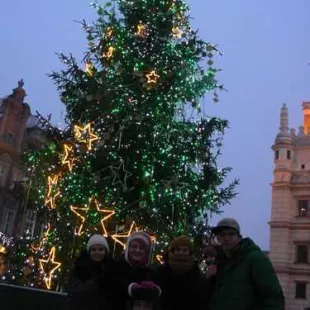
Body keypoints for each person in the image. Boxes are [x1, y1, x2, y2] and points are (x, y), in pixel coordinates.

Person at [209, 218, 285, 310]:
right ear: (218, 238)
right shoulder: (220, 261)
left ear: (239, 237)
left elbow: (274, 299)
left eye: (231, 234)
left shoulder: (255, 259)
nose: (226, 238)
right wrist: (209, 278)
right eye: (222, 235)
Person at [155, 236, 210, 310]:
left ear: (190, 253)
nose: (181, 253)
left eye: (184, 250)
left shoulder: (196, 274)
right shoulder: (162, 272)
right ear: (172, 251)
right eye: (177, 249)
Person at [110, 231, 156, 310]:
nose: (137, 250)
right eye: (134, 246)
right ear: (128, 248)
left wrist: (155, 290)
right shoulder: (115, 267)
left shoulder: (150, 273)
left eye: (141, 248)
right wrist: (130, 287)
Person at [66, 234, 112, 310]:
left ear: (106, 251)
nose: (97, 252)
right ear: (89, 252)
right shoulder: (79, 269)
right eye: (93, 250)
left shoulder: (111, 269)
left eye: (101, 249)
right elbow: (73, 293)